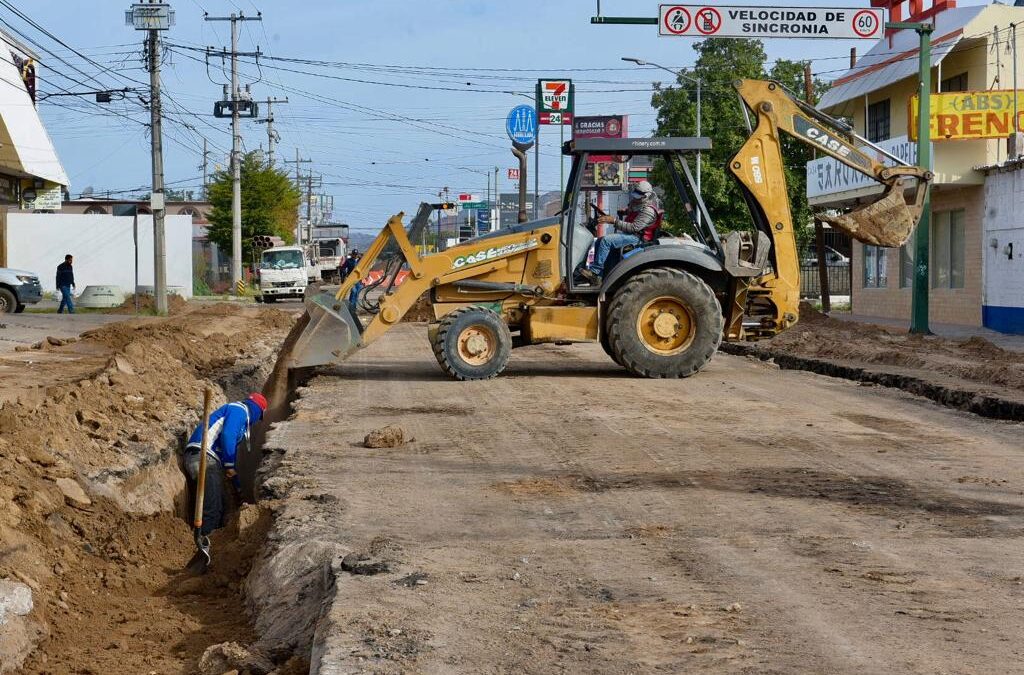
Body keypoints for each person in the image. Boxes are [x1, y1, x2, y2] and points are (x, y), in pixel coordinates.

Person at [183, 393, 267, 535]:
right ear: (256, 410)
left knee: (221, 504)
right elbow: (228, 435)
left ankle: (211, 540)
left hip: (205, 458)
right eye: (259, 417)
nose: (257, 421)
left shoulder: (239, 413)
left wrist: (233, 479)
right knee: (213, 507)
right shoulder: (239, 409)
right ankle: (205, 542)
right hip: (203, 456)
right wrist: (229, 465)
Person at [580, 181, 663, 283]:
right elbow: (632, 210)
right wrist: (624, 211)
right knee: (599, 241)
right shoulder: (639, 204)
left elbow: (633, 228)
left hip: (638, 239)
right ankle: (597, 274)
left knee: (607, 241)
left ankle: (595, 272)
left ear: (645, 196)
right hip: (631, 235)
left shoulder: (648, 211)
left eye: (638, 196)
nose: (635, 198)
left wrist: (613, 221)